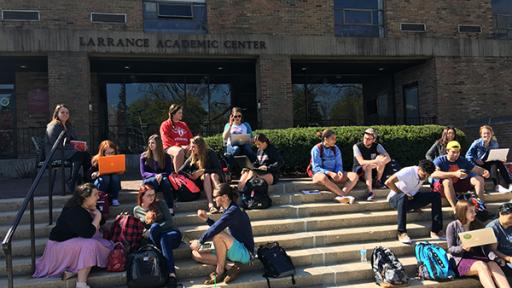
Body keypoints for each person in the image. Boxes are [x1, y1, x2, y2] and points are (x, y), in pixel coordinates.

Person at [33, 183, 113, 288]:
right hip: (59, 247)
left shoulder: (88, 206)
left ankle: (73, 271)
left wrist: (99, 216)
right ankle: (81, 284)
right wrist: (97, 216)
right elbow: (88, 233)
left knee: (107, 246)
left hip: (74, 244)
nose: (98, 197)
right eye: (95, 195)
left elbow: (101, 223)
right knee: (90, 245)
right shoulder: (74, 211)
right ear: (85, 197)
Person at [189, 183, 254, 285]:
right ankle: (230, 266)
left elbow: (217, 229)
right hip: (233, 249)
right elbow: (219, 226)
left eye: (215, 197)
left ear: (224, 197)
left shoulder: (233, 210)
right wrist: (207, 219)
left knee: (218, 236)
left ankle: (219, 272)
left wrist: (200, 241)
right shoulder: (229, 209)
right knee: (195, 254)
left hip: (245, 253)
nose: (213, 199)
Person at [446, 201, 510, 288]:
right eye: (471, 211)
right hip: (461, 260)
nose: (475, 213)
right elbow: (450, 249)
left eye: (474, 210)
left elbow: (487, 249)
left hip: (478, 257)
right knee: (481, 265)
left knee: (493, 264)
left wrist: (495, 258)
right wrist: (462, 248)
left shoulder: (478, 224)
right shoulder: (452, 226)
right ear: (462, 212)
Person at [133, 184, 182, 288]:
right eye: (149, 195)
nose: (152, 197)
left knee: (158, 231)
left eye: (153, 194)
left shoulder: (160, 203)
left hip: (171, 233)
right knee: (158, 233)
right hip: (154, 238)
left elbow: (170, 222)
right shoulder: (137, 210)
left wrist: (153, 229)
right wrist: (146, 231)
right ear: (142, 196)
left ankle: (171, 275)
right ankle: (171, 276)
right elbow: (140, 227)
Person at [385, 159, 443, 244]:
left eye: (428, 176)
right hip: (395, 199)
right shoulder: (407, 171)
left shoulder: (424, 173)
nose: (425, 177)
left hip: (410, 199)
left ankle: (436, 230)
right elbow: (388, 182)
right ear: (419, 169)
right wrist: (401, 193)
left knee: (436, 196)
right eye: (424, 175)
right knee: (403, 196)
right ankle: (402, 232)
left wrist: (416, 205)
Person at [431, 140, 490, 213]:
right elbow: (434, 174)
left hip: (458, 184)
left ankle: (481, 205)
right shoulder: (439, 160)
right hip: (444, 187)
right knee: (447, 181)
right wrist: (454, 174)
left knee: (479, 179)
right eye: (453, 152)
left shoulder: (462, 160)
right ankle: (455, 208)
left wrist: (484, 171)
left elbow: (475, 168)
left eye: (458, 152)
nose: (456, 154)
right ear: (447, 151)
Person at [46, 104, 91, 192]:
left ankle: (87, 180)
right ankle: (72, 180)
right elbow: (56, 144)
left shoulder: (69, 126)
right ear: (57, 114)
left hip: (67, 151)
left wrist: (81, 146)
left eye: (67, 113)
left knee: (85, 154)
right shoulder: (53, 126)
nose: (65, 114)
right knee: (79, 154)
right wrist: (74, 148)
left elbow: (75, 140)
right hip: (56, 153)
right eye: (62, 112)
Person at [311, 129, 358, 204]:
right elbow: (316, 168)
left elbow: (339, 164)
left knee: (354, 176)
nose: (335, 141)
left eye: (335, 139)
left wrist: (339, 171)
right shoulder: (316, 149)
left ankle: (340, 195)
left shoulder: (336, 149)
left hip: (334, 174)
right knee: (323, 177)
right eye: (332, 139)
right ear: (325, 139)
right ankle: (343, 195)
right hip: (319, 174)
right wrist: (329, 173)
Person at [179, 136, 222, 213]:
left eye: (193, 147)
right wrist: (190, 175)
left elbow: (218, 169)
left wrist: (203, 170)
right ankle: (211, 204)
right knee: (206, 176)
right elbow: (180, 171)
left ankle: (221, 203)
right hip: (203, 182)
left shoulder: (210, 153)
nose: (191, 149)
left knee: (211, 175)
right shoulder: (193, 156)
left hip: (215, 178)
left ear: (199, 146)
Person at [466, 125, 512, 193]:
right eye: (484, 133)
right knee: (495, 164)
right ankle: (497, 185)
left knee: (497, 163)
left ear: (491, 134)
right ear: (481, 134)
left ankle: (506, 184)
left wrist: (501, 158)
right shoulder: (476, 143)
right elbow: (467, 156)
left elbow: (496, 155)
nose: (486, 135)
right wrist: (475, 160)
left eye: (488, 133)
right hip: (477, 165)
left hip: (488, 163)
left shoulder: (494, 143)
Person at [352, 128, 391, 201]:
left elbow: (388, 158)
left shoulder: (377, 146)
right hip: (360, 170)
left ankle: (378, 181)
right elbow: (361, 162)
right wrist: (376, 161)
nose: (366, 140)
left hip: (373, 168)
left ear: (373, 140)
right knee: (369, 165)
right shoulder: (357, 146)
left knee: (381, 157)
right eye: (365, 138)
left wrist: (380, 161)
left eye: (369, 139)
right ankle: (370, 192)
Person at [140, 134, 175, 214]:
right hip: (150, 179)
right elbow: (143, 173)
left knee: (165, 181)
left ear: (158, 144)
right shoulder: (144, 156)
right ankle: (150, 207)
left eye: (153, 143)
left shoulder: (165, 156)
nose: (150, 145)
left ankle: (170, 207)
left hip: (162, 179)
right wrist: (155, 176)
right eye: (149, 143)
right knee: (151, 182)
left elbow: (169, 171)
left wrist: (161, 175)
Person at [160, 104, 193, 172]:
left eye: (181, 112)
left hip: (185, 147)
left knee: (195, 149)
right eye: (179, 113)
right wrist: (180, 146)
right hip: (169, 147)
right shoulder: (165, 124)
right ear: (173, 114)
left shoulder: (183, 124)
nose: (181, 114)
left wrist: (190, 145)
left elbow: (191, 138)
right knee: (179, 151)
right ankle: (178, 174)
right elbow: (166, 140)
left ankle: (192, 173)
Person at [90, 140, 122, 206]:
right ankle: (101, 198)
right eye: (108, 153)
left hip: (112, 182)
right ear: (103, 152)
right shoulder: (96, 160)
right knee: (105, 177)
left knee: (115, 177)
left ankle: (114, 198)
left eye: (112, 152)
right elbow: (89, 174)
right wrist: (95, 173)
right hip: (101, 182)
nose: (110, 155)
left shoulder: (117, 159)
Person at [486, 203, 512, 279]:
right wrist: (508, 258)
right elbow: (493, 250)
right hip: (503, 259)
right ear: (501, 214)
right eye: (510, 218)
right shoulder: (492, 228)